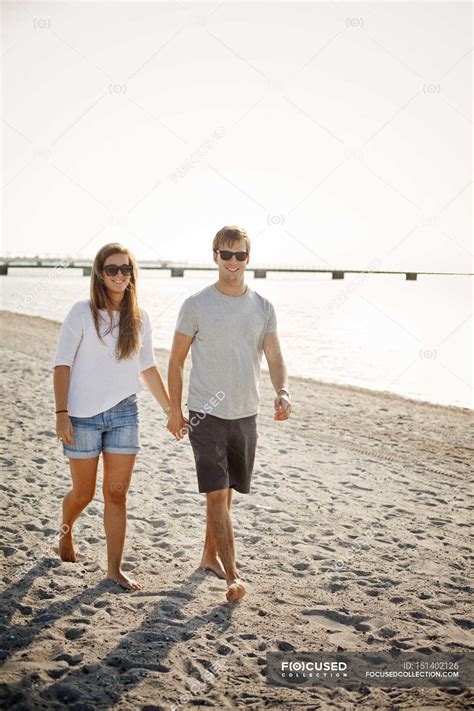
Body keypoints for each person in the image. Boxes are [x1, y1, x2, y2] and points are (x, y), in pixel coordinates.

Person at [167, 226, 291, 601]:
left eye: (240, 255)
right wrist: (174, 409)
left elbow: (274, 357)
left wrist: (282, 390)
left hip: (245, 414)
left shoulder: (263, 307)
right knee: (217, 494)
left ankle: (209, 556)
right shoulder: (196, 304)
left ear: (248, 259)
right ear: (215, 256)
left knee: (226, 491)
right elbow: (175, 362)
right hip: (206, 414)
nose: (233, 262)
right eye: (226, 254)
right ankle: (232, 577)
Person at [52, 243, 170, 590]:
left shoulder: (140, 317)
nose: (120, 275)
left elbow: (147, 368)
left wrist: (169, 410)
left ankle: (113, 569)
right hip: (82, 416)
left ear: (133, 273)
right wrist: (61, 414)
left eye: (126, 269)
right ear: (99, 274)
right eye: (112, 269)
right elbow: (62, 365)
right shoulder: (81, 312)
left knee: (116, 494)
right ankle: (66, 529)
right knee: (83, 493)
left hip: (124, 414)